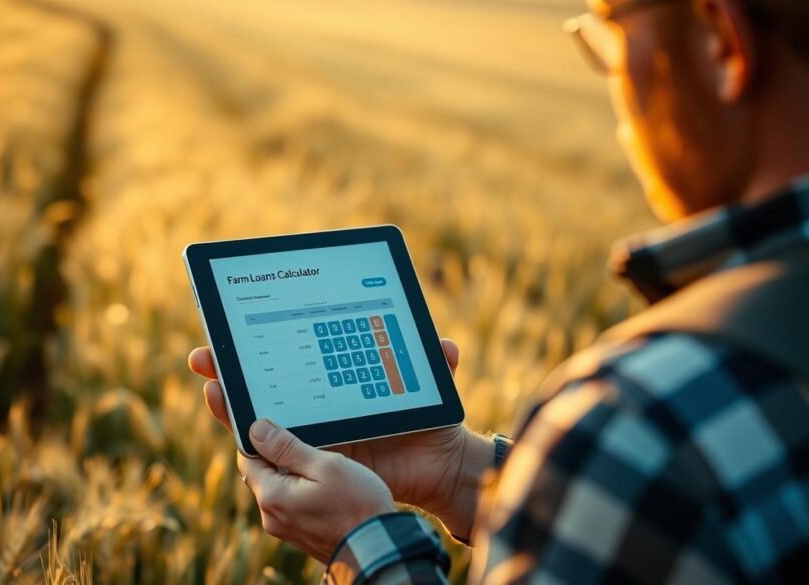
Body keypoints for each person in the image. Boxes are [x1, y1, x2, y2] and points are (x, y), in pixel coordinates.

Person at [188, 0, 809, 582]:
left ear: (720, 41)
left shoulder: (638, 426)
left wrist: (362, 542)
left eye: (612, 43)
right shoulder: (662, 434)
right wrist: (460, 473)